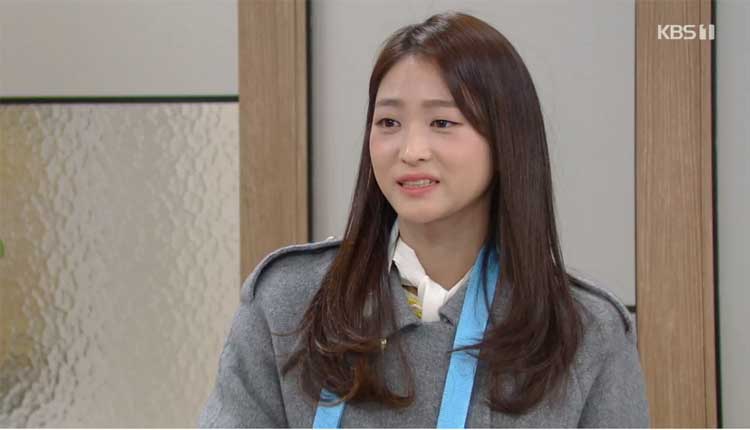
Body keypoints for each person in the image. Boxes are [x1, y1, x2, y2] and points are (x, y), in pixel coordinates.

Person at [199, 11, 649, 428]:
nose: (411, 150)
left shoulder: (585, 331)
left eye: (442, 123)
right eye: (389, 122)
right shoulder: (287, 299)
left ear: (506, 139)